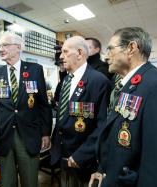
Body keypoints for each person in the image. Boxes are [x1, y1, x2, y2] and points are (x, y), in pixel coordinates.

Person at [89, 27, 157, 187]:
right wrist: (104, 169)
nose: (106, 56)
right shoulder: (127, 85)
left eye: (110, 49)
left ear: (131, 48)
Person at [0, 32, 52, 187]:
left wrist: (46, 132)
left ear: (19, 47)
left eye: (5, 45)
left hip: (28, 135)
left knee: (29, 182)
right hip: (4, 135)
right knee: (7, 182)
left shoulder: (35, 70)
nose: (1, 48)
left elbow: (43, 104)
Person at [50, 36, 110, 187]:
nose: (61, 56)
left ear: (79, 53)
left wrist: (82, 155)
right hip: (63, 154)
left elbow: (103, 126)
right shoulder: (66, 80)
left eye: (65, 52)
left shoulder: (99, 81)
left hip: (84, 159)